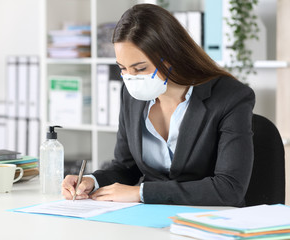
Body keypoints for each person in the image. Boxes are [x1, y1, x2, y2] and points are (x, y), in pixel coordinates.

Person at [62, 4, 255, 206]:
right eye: (123, 68)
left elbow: (229, 188)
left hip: (208, 219)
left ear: (171, 57)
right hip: (148, 217)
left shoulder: (231, 97)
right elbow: (125, 168)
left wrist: (142, 193)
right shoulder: (130, 95)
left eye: (140, 68)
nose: (130, 78)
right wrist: (91, 181)